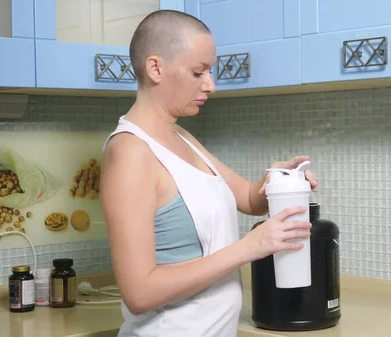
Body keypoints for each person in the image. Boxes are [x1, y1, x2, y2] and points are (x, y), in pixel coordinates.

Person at [99, 9, 318, 337]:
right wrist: (249, 247)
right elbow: (139, 292)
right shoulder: (131, 152)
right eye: (198, 72)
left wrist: (279, 180)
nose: (211, 85)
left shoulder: (180, 136)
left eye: (210, 71)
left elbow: (246, 196)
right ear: (156, 68)